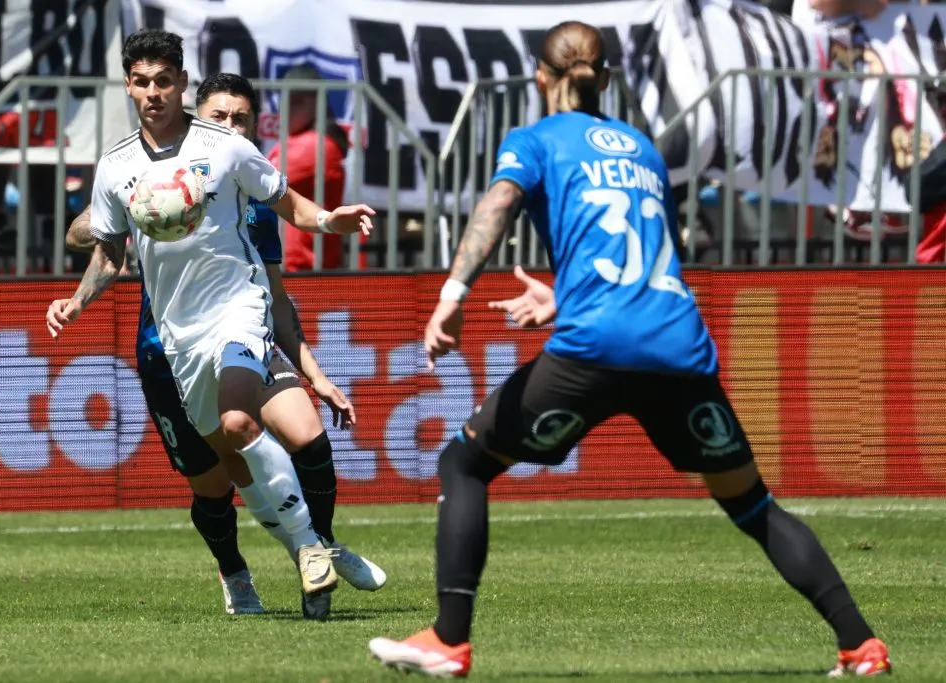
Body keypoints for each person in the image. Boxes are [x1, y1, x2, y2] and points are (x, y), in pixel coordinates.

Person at [368, 21, 891, 679]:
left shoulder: (534, 140)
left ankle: (449, 638)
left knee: (465, 462)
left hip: (596, 349)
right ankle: (861, 644)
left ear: (540, 76)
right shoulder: (642, 149)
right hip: (678, 346)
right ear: (606, 80)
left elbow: (499, 201)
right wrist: (564, 296)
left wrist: (453, 290)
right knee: (754, 505)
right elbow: (646, 255)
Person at [45, 30, 374, 605]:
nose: (153, 93)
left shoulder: (224, 147)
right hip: (176, 337)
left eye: (164, 81)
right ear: (129, 86)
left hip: (238, 310)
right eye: (142, 82)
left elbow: (283, 200)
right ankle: (279, 558)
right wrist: (76, 302)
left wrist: (329, 221)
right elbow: (110, 249)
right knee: (228, 465)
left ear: (181, 86)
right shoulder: (116, 166)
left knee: (244, 423)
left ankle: (311, 548)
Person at [267, 63, 365, 271]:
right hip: (293, 268)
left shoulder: (316, 144)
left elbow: (254, 181)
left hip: (303, 272)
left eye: (297, 100)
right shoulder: (302, 141)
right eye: (286, 99)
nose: (285, 108)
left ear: (313, 102)